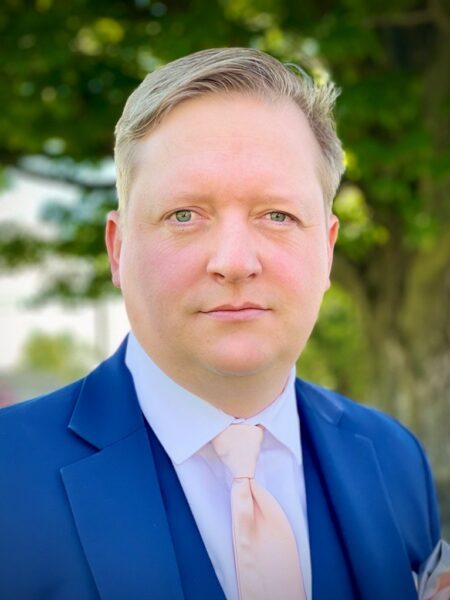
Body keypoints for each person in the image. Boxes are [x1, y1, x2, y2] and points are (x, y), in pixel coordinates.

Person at [0, 47, 446, 600]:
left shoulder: (394, 457)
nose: (234, 262)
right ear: (118, 250)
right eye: (184, 215)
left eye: (277, 215)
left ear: (328, 251)